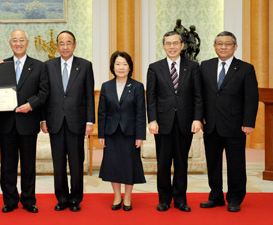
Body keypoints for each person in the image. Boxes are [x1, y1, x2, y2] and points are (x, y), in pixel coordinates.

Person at [199, 31, 259, 212]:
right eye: (219, 43)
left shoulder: (245, 68)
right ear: (214, 47)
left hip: (235, 125)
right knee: (213, 163)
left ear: (235, 47)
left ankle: (235, 198)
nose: (223, 47)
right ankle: (215, 196)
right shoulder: (205, 66)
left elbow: (251, 98)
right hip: (211, 124)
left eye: (227, 43)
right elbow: (199, 95)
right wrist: (199, 116)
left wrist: (248, 122)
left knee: (236, 164)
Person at [146, 31, 203, 212]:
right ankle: (164, 199)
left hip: (185, 122)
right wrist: (152, 120)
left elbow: (198, 96)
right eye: (168, 43)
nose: (172, 47)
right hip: (162, 123)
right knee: (163, 163)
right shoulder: (155, 68)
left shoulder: (193, 67)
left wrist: (197, 118)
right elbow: (151, 98)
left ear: (182, 45)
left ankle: (180, 200)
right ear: (163, 46)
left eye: (175, 43)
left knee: (181, 162)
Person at [42, 30, 95, 212]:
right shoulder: (48, 66)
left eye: (68, 43)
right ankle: (62, 198)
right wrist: (43, 119)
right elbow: (44, 95)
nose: (65, 47)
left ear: (74, 44)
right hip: (55, 120)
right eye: (62, 43)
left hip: (77, 121)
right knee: (58, 163)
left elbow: (89, 95)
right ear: (57, 46)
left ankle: (75, 198)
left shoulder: (85, 66)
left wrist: (90, 121)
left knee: (76, 161)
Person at [0, 30, 48, 213]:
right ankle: (9, 201)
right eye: (15, 40)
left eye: (21, 40)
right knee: (7, 165)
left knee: (28, 164)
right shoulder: (2, 65)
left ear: (27, 42)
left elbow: (43, 93)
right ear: (10, 43)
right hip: (7, 123)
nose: (18, 43)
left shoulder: (39, 66)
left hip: (28, 122)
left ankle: (28, 200)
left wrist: (30, 105)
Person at [98, 51, 146, 211]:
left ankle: (128, 197)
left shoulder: (138, 86)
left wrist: (140, 136)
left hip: (130, 133)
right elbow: (102, 112)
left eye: (124, 64)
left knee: (128, 166)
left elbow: (140, 113)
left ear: (130, 67)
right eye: (118, 64)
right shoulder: (106, 86)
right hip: (111, 133)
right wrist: (101, 134)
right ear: (113, 66)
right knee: (113, 166)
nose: (121, 67)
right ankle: (117, 196)